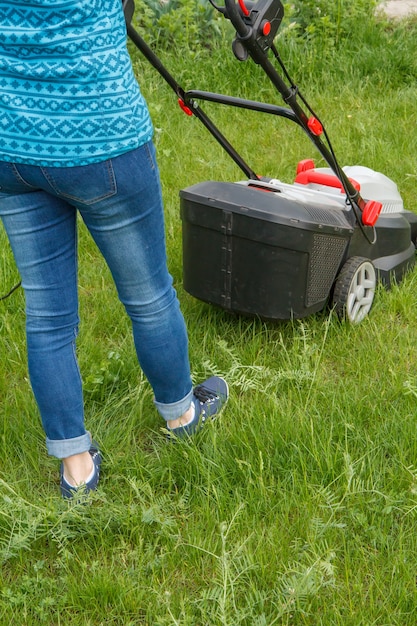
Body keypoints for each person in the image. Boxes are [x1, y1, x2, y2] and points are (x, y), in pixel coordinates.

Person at [0, 0, 228, 499]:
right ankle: (182, 415)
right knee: (148, 295)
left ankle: (76, 470)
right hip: (102, 139)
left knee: (47, 315)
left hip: (12, 148)